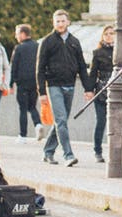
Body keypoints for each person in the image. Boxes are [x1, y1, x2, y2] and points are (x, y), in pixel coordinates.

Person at [36, 10, 93, 166]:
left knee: (60, 122)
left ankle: (48, 151)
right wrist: (41, 91)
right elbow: (39, 68)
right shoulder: (47, 42)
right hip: (53, 85)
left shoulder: (75, 42)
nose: (60, 24)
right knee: (61, 120)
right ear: (53, 23)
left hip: (70, 85)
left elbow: (82, 66)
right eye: (57, 21)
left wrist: (88, 88)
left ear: (68, 22)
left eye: (62, 21)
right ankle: (68, 155)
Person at [9, 24, 42, 140]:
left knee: (23, 108)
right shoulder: (38, 46)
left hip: (22, 83)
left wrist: (11, 83)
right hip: (35, 82)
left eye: (17, 33)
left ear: (23, 34)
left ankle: (23, 135)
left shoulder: (19, 48)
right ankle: (38, 124)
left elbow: (14, 67)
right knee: (32, 106)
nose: (16, 36)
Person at [88, 24, 115, 163]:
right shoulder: (97, 53)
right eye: (106, 34)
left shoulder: (121, 51)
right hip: (102, 90)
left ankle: (115, 151)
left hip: (118, 90)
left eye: (112, 33)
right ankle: (97, 151)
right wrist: (89, 90)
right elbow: (92, 74)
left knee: (117, 123)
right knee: (101, 121)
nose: (109, 36)